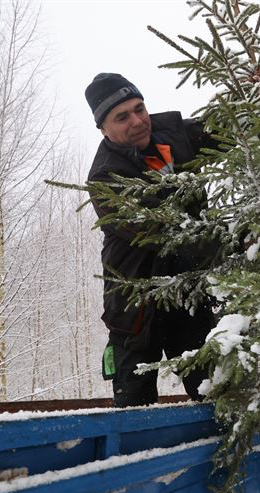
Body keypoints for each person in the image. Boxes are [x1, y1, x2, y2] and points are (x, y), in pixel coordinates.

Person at [84, 72, 217, 406]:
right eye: (122, 117)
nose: (137, 121)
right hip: (136, 307)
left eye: (139, 108)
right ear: (103, 129)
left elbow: (230, 126)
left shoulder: (173, 135)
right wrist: (235, 244)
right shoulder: (105, 177)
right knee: (134, 406)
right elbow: (164, 232)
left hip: (188, 296)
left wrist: (252, 92)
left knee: (215, 392)